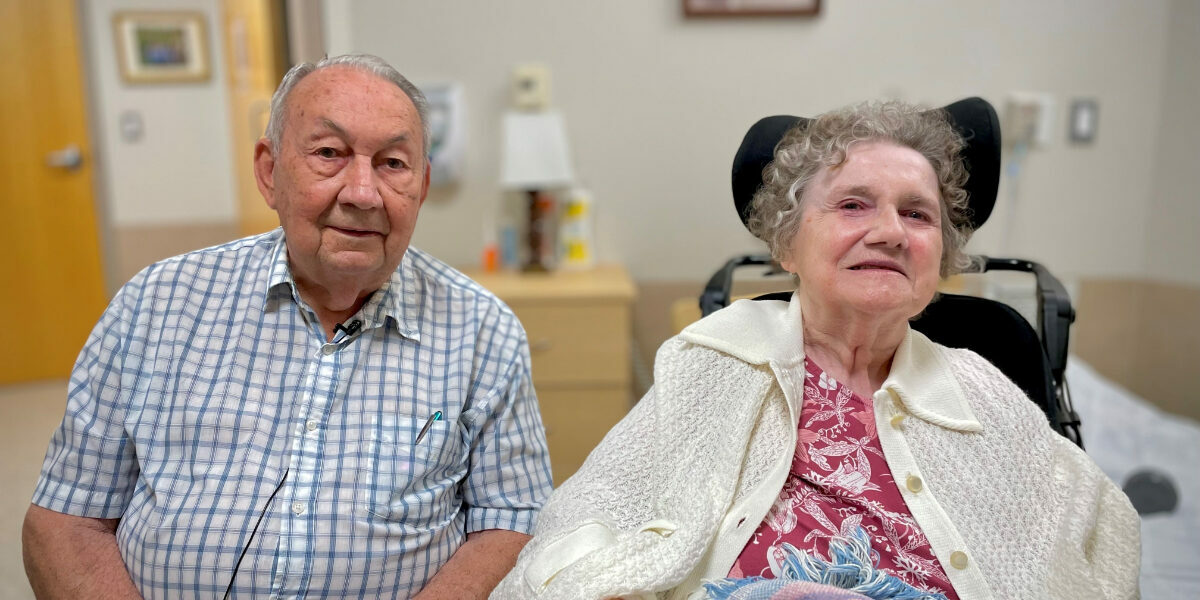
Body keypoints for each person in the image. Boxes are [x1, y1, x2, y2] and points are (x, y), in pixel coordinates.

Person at [494, 101, 1140, 599]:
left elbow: (1098, 534)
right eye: (854, 204)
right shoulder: (715, 360)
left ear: (940, 256)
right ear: (787, 245)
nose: (889, 232)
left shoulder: (982, 390)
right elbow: (587, 515)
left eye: (918, 215)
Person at [23, 54, 553, 599]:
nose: (363, 193)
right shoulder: (156, 303)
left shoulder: (483, 330)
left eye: (393, 163)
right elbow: (66, 519)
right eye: (329, 154)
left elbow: (512, 520)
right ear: (269, 172)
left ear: (421, 186)